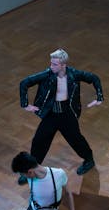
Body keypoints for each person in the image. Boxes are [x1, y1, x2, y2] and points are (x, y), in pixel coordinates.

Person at [19, 48, 103, 183]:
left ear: (63, 65)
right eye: (51, 63)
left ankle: (89, 160)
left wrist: (99, 97)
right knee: (39, 141)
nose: (51, 66)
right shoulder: (47, 75)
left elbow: (94, 78)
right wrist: (25, 104)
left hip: (67, 114)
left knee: (77, 140)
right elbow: (24, 83)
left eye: (54, 64)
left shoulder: (74, 74)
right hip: (51, 115)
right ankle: (32, 168)